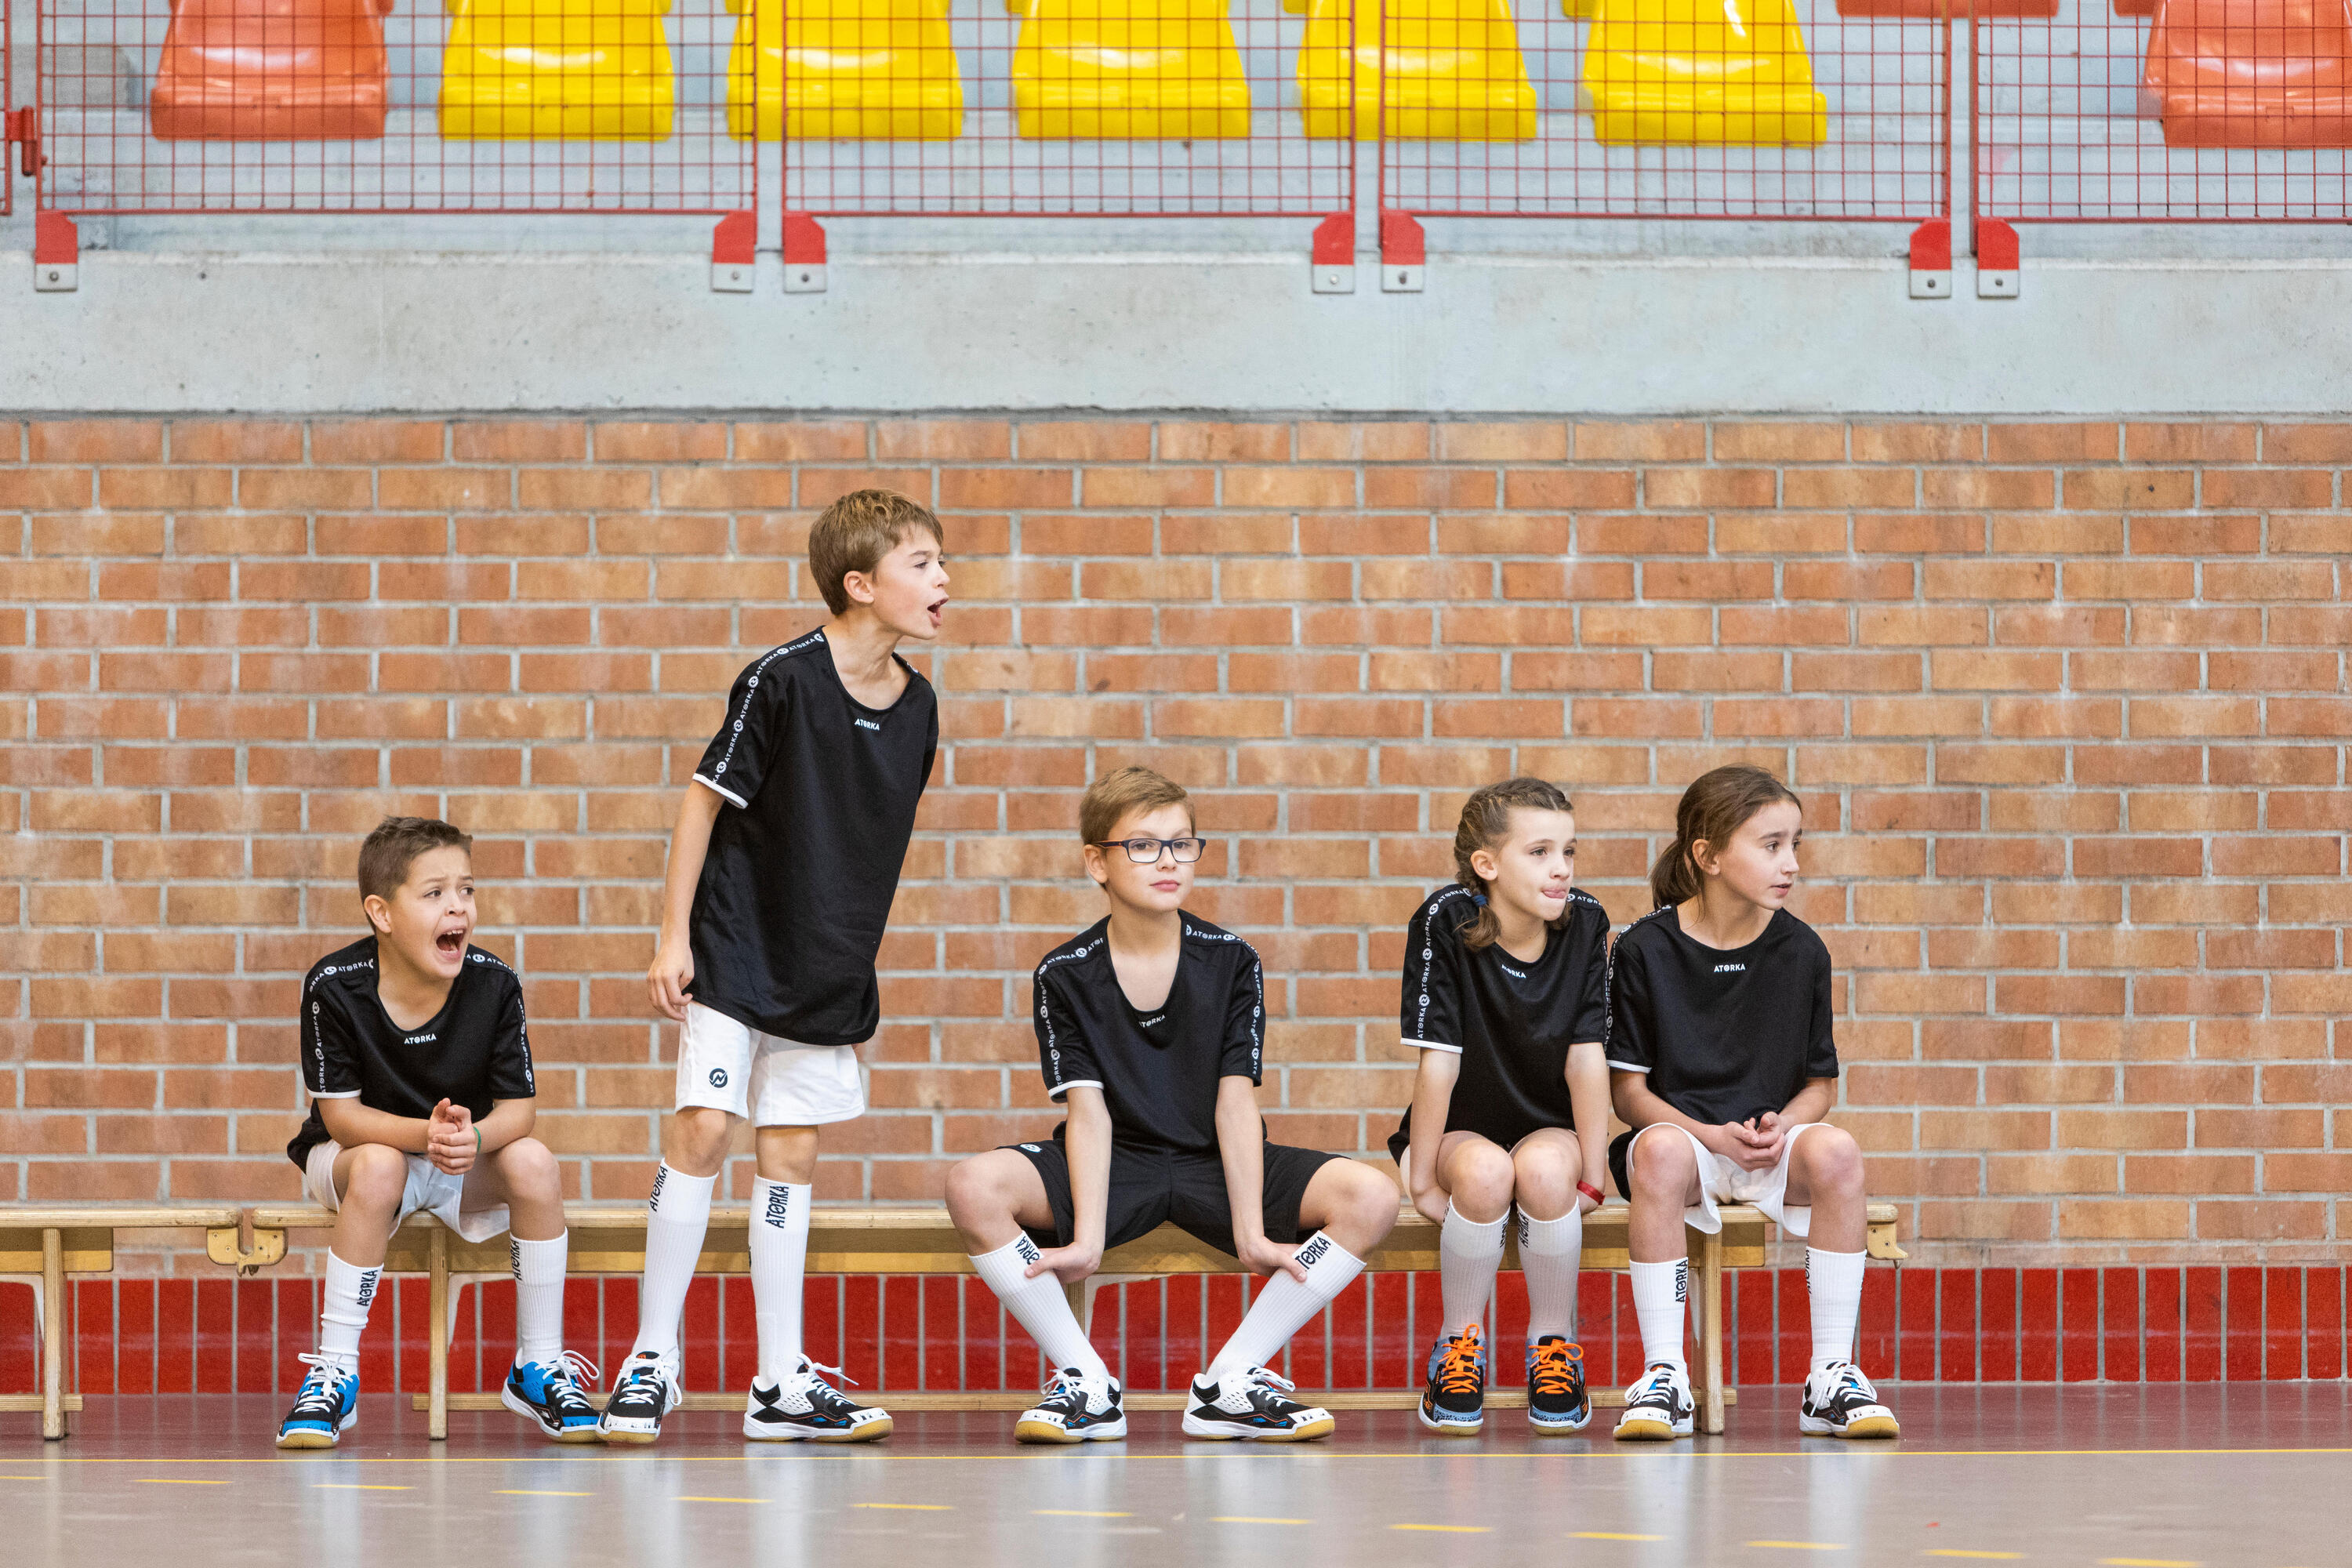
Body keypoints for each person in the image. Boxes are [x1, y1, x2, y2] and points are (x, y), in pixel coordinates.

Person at [597, 490, 947, 1445]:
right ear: (860, 583)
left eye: (941, 560)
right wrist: (674, 938)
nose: (944, 577)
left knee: (790, 1154)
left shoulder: (919, 705)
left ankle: (780, 1379)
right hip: (736, 946)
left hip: (827, 966)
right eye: (922, 562)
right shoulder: (780, 679)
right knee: (706, 1128)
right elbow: (701, 807)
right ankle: (652, 1358)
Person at [942, 766, 1400, 1444]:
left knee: (1371, 1196)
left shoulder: (1231, 959)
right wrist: (1087, 1242)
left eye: (1182, 844)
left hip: (1213, 1162)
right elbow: (1088, 1112)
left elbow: (1235, 1101)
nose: (1168, 862)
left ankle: (1231, 1381)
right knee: (972, 1184)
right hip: (1115, 1165)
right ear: (1096, 861)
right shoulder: (1065, 972)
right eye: (1144, 845)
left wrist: (1250, 1231)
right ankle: (1086, 1383)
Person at [1606, 764, 1898, 1442]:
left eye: (1795, 844)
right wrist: (1709, 1135)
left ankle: (1831, 1374)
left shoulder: (1802, 952)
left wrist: (1786, 1124)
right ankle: (1665, 1377)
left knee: (1838, 1152)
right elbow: (1629, 1093)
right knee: (1656, 1153)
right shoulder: (1645, 949)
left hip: (1767, 1146)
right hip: (1682, 1143)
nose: (1790, 863)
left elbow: (1820, 1086)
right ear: (1707, 856)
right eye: (1770, 845)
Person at [276, 815, 586, 1448]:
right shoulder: (332, 987)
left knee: (533, 1160)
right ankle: (336, 1370)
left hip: (455, 1160)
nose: (459, 908)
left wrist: (471, 1141)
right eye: (435, 893)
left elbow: (518, 1111)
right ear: (381, 913)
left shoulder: (496, 983)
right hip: (354, 1161)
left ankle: (538, 1363)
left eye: (467, 890)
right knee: (380, 1165)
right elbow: (342, 1118)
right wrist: (426, 1135)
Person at [1392, 778, 1612, 1435]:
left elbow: (1586, 1059)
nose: (1561, 868)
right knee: (1487, 1175)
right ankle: (1459, 1342)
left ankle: (1553, 1344)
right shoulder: (1446, 919)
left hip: (1549, 1127)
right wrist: (1425, 1175)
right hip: (1461, 1133)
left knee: (1546, 1174)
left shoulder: (1587, 922)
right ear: (1487, 866)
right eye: (1540, 851)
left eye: (1568, 851)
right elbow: (1439, 1062)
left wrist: (1594, 1174)